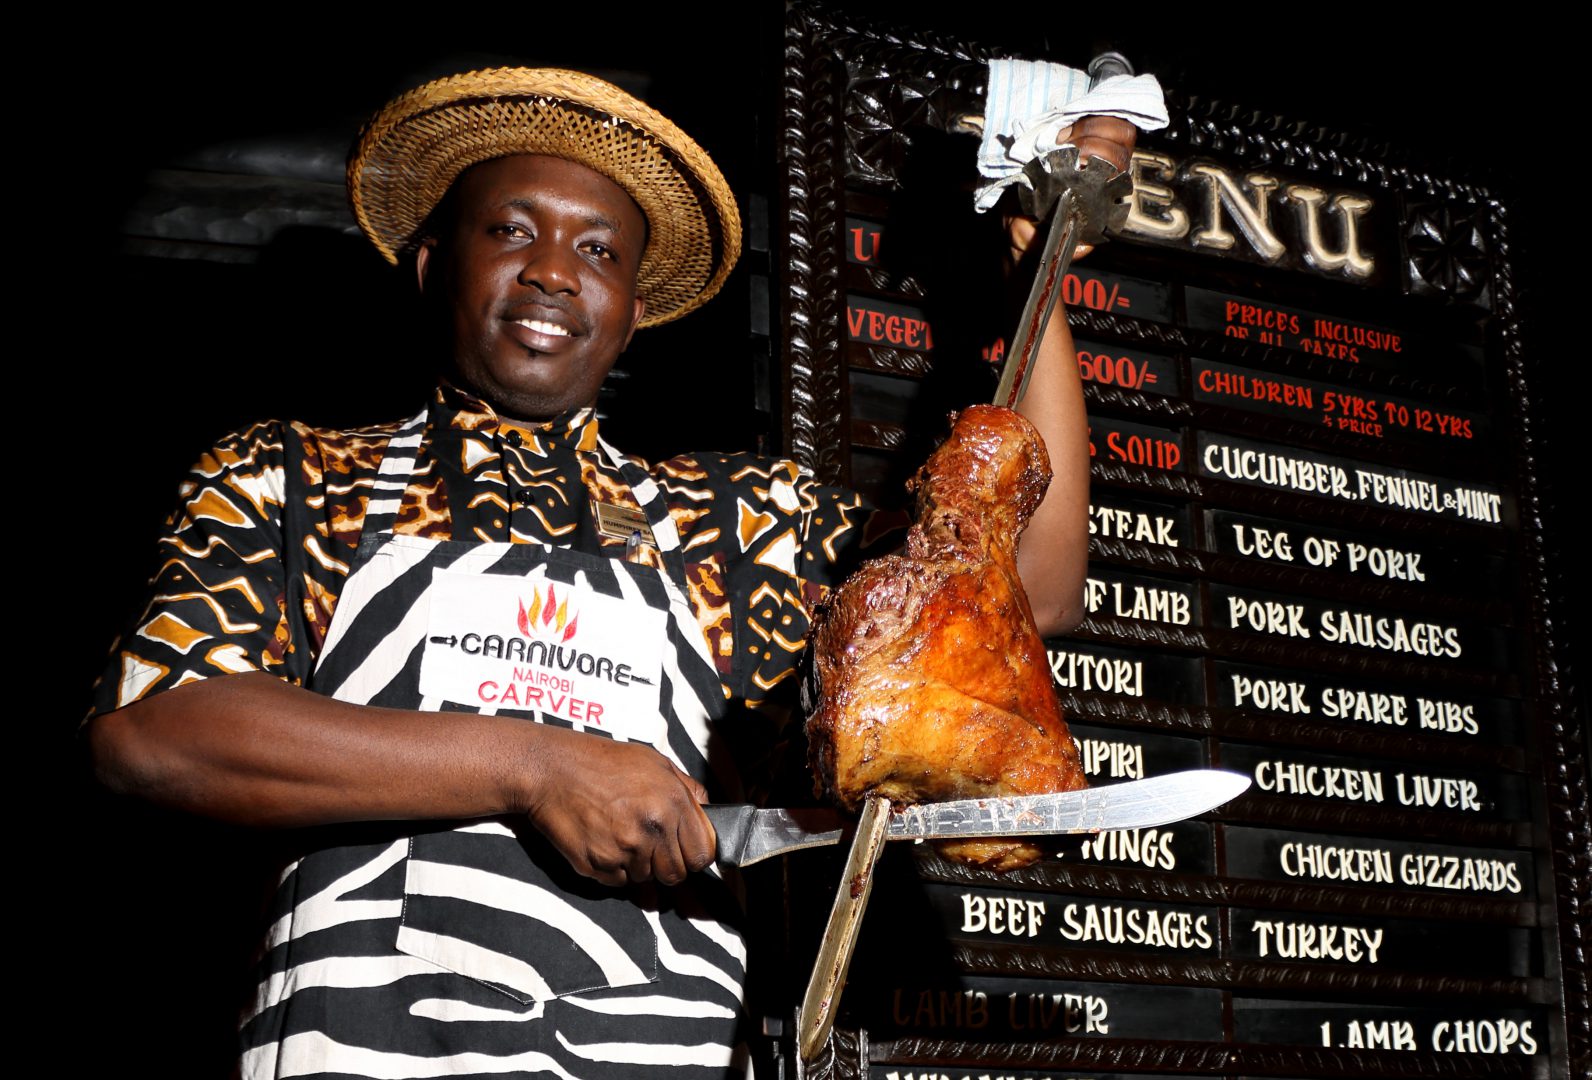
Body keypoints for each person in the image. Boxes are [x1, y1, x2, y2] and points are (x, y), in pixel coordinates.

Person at [85, 67, 1133, 1078]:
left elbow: (1029, 589)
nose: (552, 270)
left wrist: (1035, 269)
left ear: (632, 310)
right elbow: (155, 733)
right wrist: (534, 766)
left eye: (597, 249)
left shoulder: (737, 522)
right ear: (432, 264)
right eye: (510, 231)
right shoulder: (293, 476)